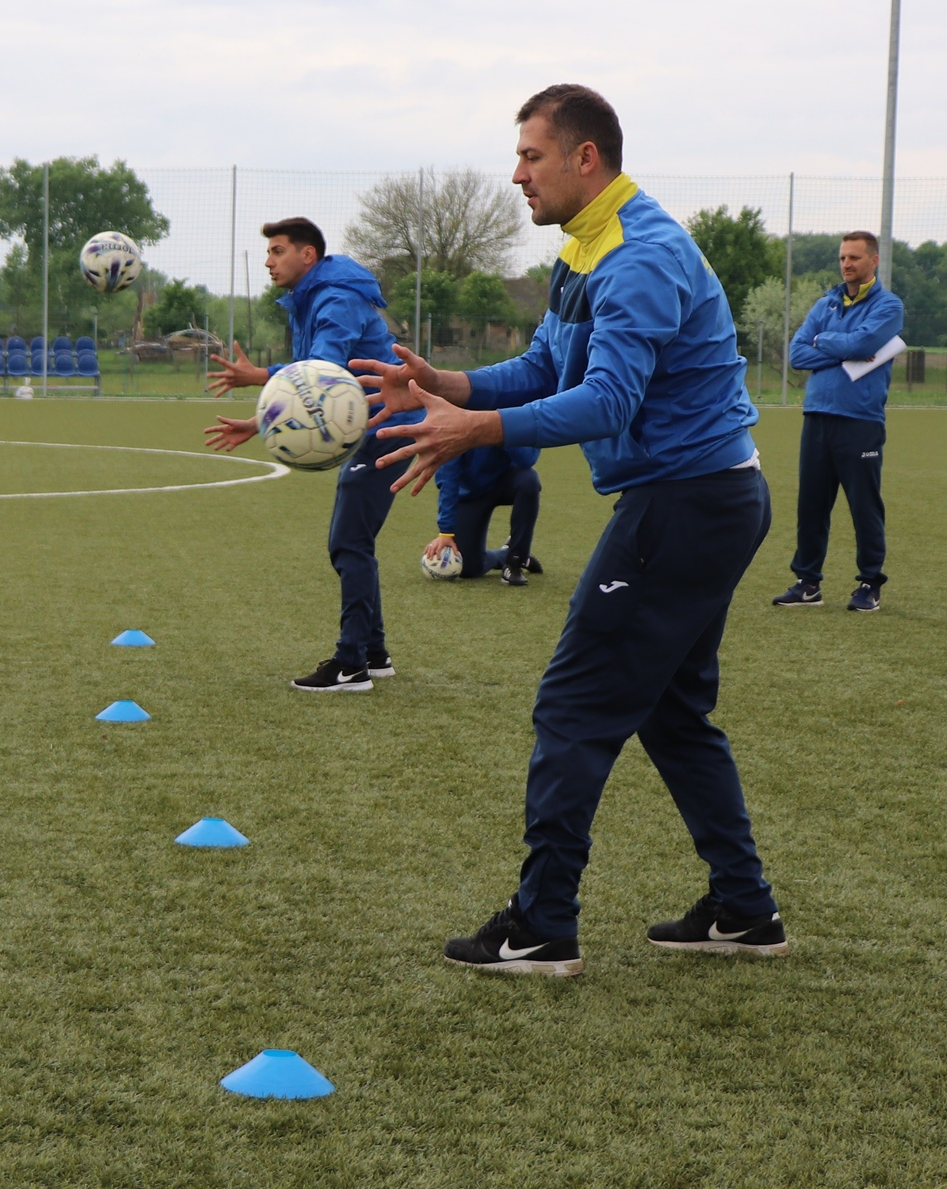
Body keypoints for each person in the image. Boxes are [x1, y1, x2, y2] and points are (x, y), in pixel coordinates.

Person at [355, 84, 786, 976]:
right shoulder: (585, 246)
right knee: (673, 713)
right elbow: (548, 365)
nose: (517, 175)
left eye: (531, 156)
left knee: (573, 705)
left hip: (688, 503)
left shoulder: (638, 255)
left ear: (585, 158)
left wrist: (477, 430)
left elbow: (608, 400)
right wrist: (445, 385)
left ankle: (543, 923)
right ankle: (745, 908)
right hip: (704, 499)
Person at [204, 217, 422, 691]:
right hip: (373, 425)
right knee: (355, 541)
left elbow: (323, 369)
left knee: (348, 542)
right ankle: (373, 653)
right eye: (268, 252)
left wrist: (260, 376)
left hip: (387, 425)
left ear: (308, 255)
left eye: (277, 250)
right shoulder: (312, 296)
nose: (268, 261)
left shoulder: (335, 297)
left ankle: (351, 665)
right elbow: (309, 386)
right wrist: (260, 421)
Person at [772, 232, 904, 613]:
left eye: (855, 258)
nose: (846, 264)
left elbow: (862, 346)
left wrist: (824, 341)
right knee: (811, 506)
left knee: (864, 506)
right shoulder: (825, 303)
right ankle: (807, 583)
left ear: (874, 261)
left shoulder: (889, 306)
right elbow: (798, 354)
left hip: (860, 420)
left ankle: (870, 583)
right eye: (843, 257)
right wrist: (843, 347)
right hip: (817, 417)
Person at [424, 445, 543, 584]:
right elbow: (448, 479)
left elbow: (527, 460)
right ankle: (506, 554)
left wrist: (504, 435)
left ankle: (516, 560)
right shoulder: (454, 430)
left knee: (529, 480)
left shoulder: (513, 428)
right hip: (471, 494)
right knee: (468, 568)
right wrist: (445, 532)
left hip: (506, 482)